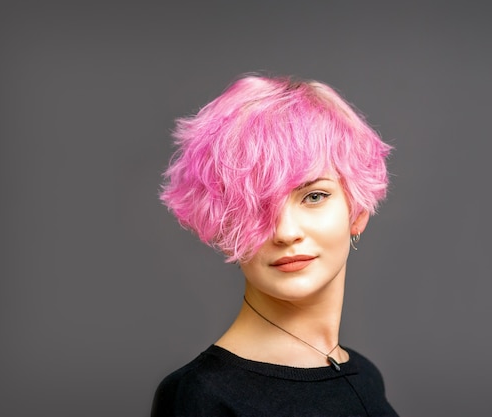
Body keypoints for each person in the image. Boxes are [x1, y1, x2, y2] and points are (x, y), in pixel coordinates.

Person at [151, 74, 399, 416]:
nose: (284, 231)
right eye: (257, 205)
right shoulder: (200, 397)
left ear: (357, 211)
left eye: (314, 196)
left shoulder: (365, 376)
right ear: (223, 226)